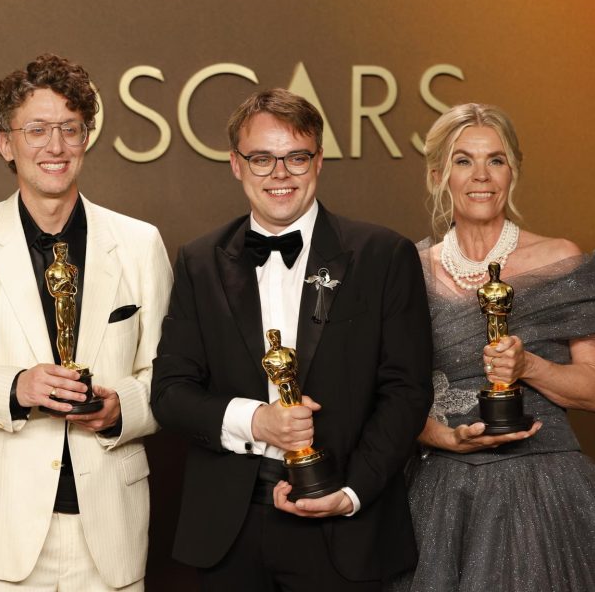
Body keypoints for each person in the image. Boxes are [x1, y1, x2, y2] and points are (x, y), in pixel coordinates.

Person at [150, 88, 434, 591]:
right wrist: (256, 421)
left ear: (319, 161)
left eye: (296, 157)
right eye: (262, 158)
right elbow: (170, 393)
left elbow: (407, 390)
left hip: (344, 527)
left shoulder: (382, 255)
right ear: (236, 164)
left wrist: (350, 492)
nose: (279, 174)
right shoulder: (199, 261)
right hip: (228, 532)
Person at [0, 54, 172, 591]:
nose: (55, 146)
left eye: (69, 129)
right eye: (37, 130)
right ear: (6, 143)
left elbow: (170, 375)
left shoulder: (140, 243)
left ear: (85, 138)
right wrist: (15, 387)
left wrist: (123, 407)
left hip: (111, 528)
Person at [390, 103, 595, 591]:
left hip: (548, 493)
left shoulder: (559, 259)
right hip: (444, 497)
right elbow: (392, 398)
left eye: (496, 160)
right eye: (463, 161)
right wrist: (441, 437)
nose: (481, 175)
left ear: (513, 171)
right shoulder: (409, 271)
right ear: (438, 174)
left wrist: (529, 366)